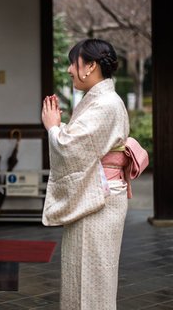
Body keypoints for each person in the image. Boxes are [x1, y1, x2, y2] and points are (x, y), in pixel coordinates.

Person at [41, 38, 130, 310]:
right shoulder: (100, 101)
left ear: (90, 66)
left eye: (73, 62)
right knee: (83, 275)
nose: (69, 69)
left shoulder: (105, 104)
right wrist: (62, 127)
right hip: (93, 198)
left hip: (98, 201)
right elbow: (83, 144)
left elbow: (71, 148)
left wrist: (54, 127)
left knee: (94, 281)